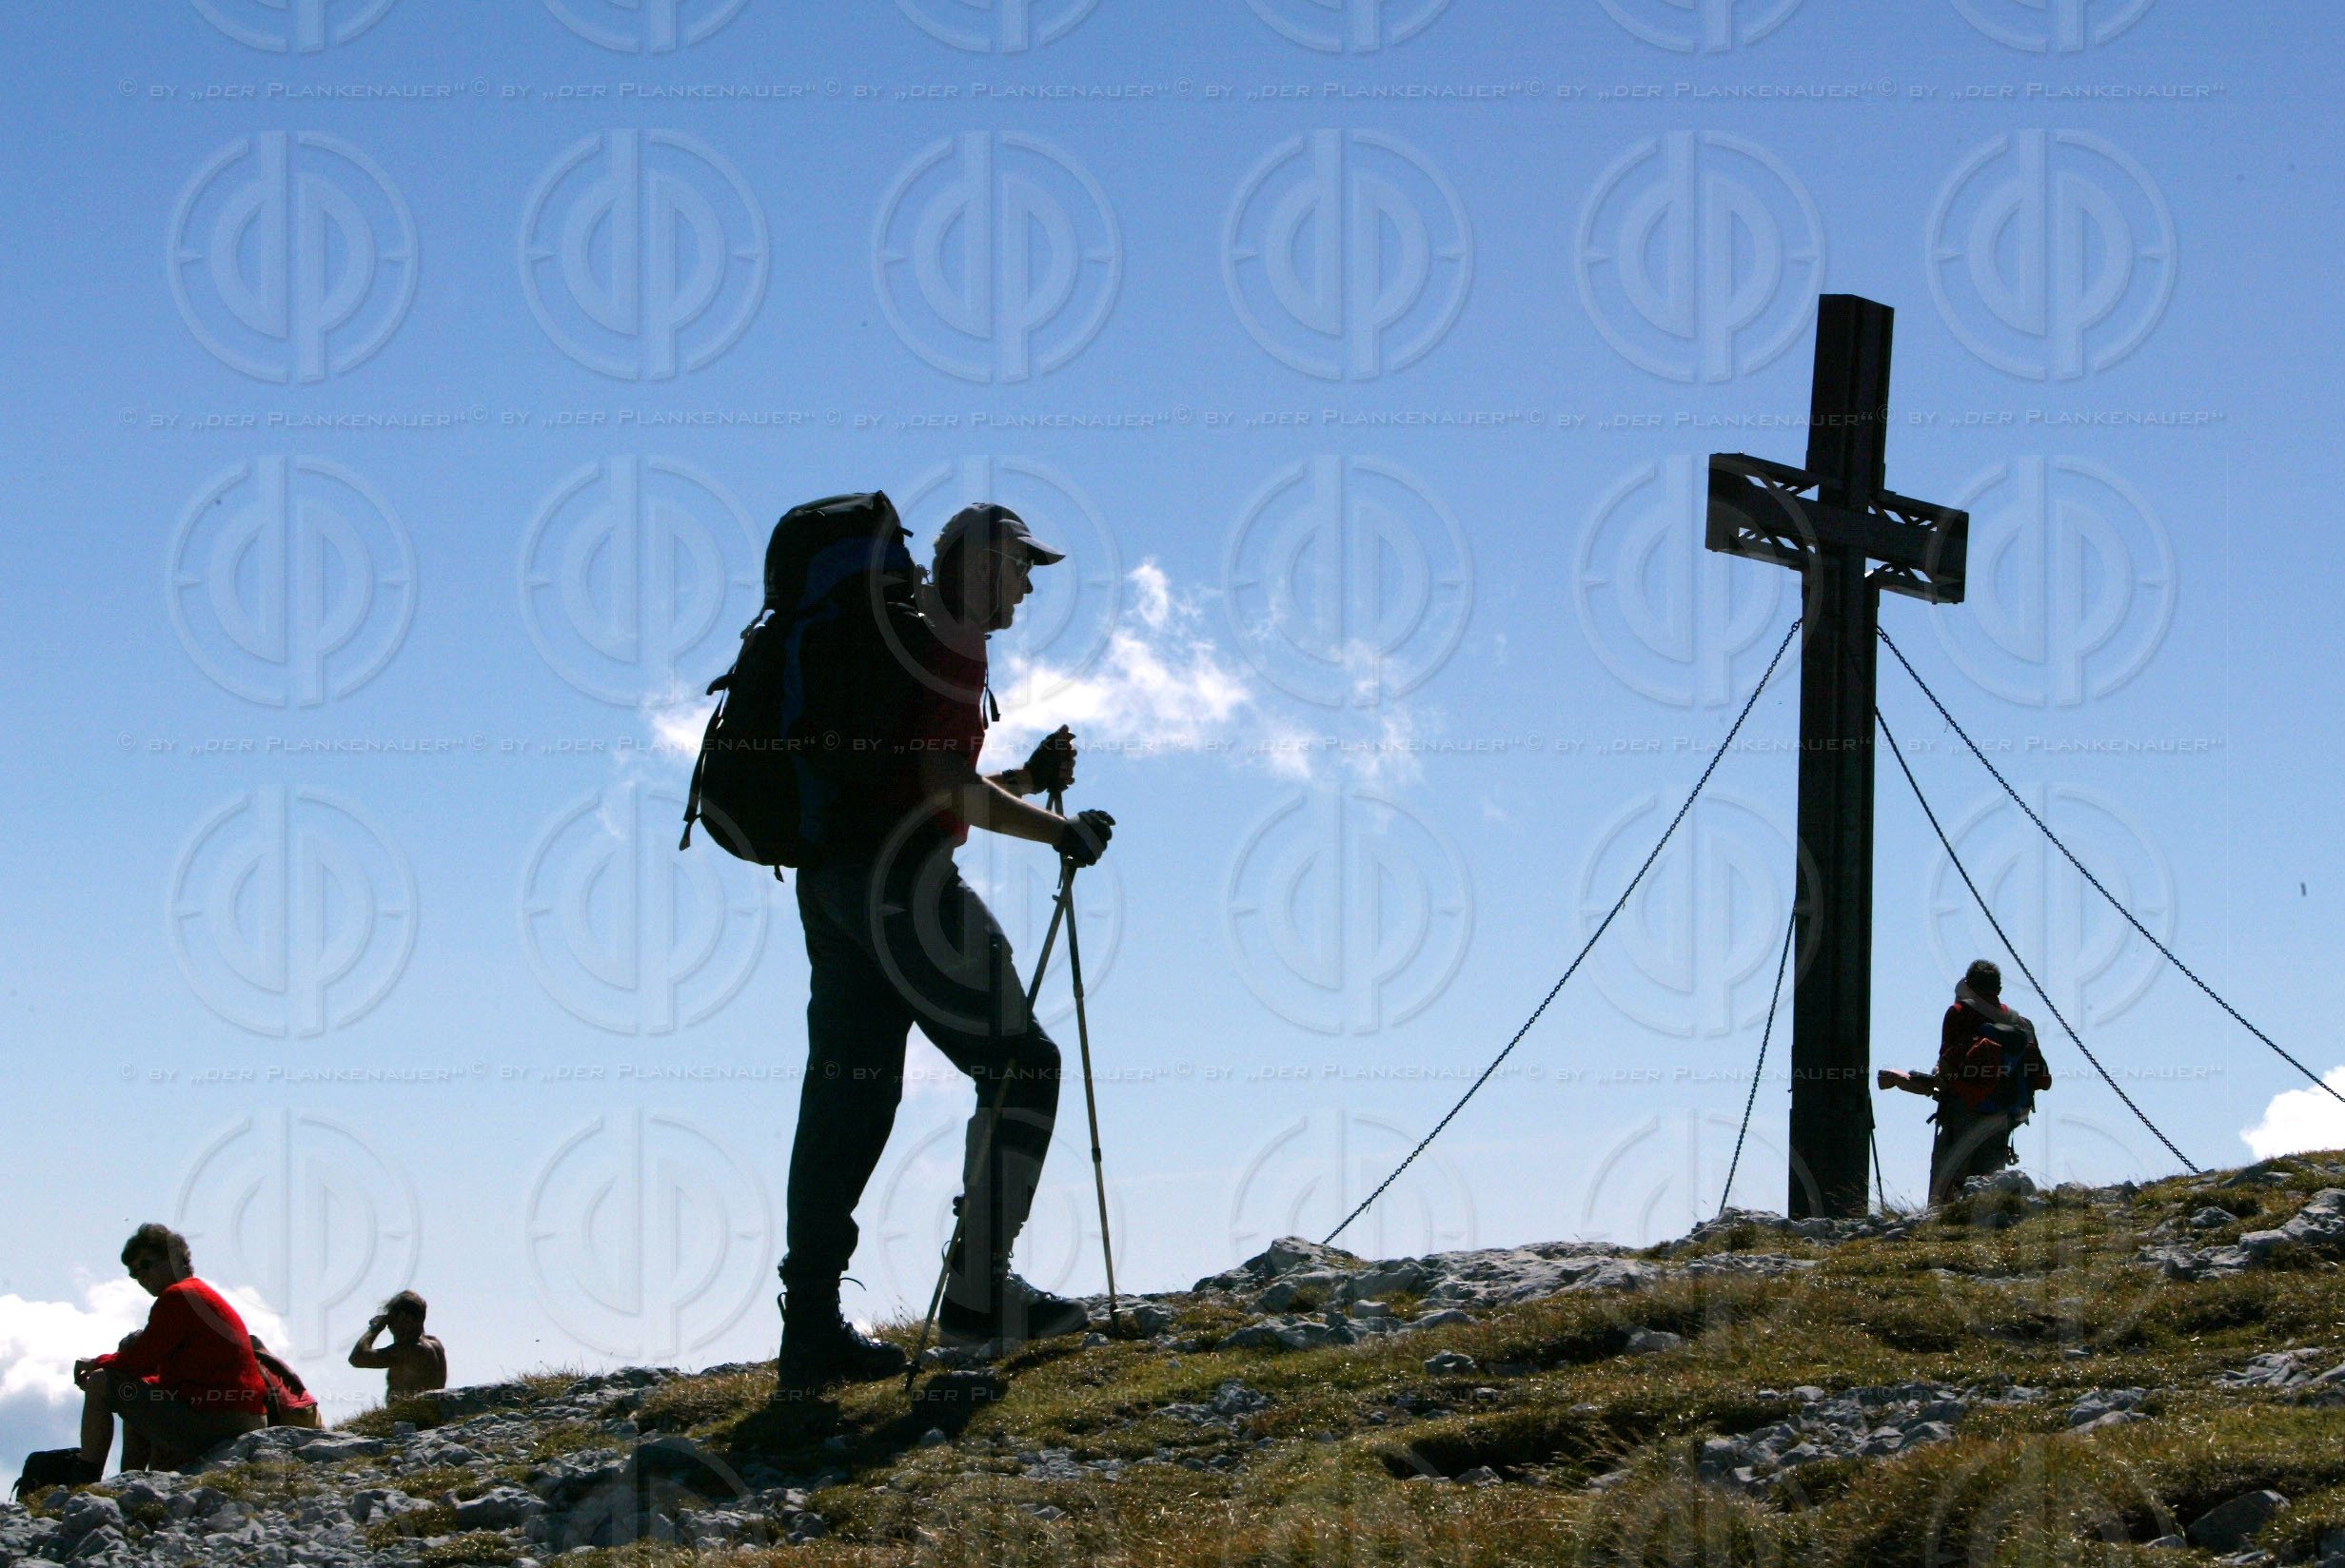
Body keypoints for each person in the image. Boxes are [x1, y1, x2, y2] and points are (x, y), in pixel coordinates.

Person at [776, 500, 1117, 1391]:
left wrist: (1030, 783)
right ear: (983, 560)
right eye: (1023, 565)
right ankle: (977, 1293)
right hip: (909, 889)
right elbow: (949, 794)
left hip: (835, 887)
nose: (1030, 585)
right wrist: (1058, 829)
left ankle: (809, 1332)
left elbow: (924, 781)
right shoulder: (955, 638)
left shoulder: (897, 628)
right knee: (1022, 1066)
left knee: (847, 1099)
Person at [19, 1225, 269, 1488]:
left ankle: (85, 1478)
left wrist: (96, 1364)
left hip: (222, 1418)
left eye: (146, 1265)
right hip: (239, 1415)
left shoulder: (178, 1296)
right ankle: (129, 1482)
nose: (141, 1277)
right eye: (134, 1273)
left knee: (103, 1383)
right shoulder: (198, 1294)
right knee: (135, 1394)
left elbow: (139, 1360)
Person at [1880, 959, 2053, 1204]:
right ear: (1999, 989)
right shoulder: (2021, 1024)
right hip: (2004, 1117)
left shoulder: (1959, 1014)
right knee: (1988, 1194)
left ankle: (1940, 1235)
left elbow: (1946, 1066)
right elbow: (2039, 1078)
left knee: (1945, 1193)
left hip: (1963, 1112)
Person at [348, 1291, 446, 1401]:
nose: (389, 1327)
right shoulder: (436, 1345)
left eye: (391, 1320)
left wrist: (374, 1330)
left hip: (410, 1415)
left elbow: (357, 1358)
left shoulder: (409, 1349)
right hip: (432, 1413)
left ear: (404, 1318)